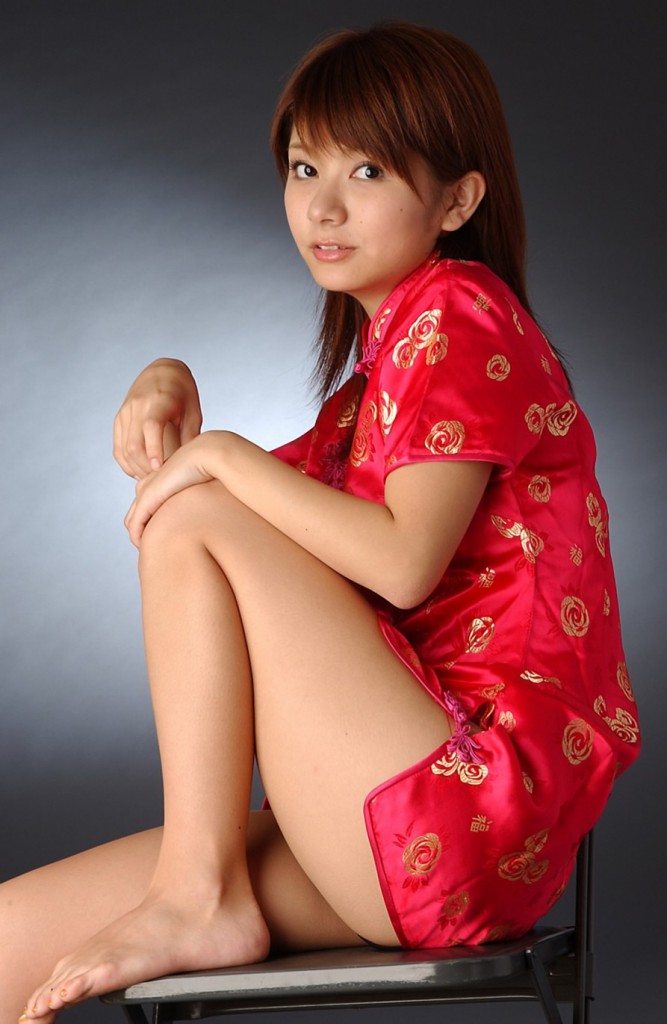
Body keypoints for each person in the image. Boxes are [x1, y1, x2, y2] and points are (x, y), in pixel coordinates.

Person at [0, 22, 640, 1023]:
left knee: (198, 510)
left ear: (457, 200)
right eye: (305, 168)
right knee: (11, 939)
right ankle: (197, 884)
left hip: (467, 809)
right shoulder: (377, 378)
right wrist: (168, 377)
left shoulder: (460, 314)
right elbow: (254, 525)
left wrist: (219, 459)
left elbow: (397, 561)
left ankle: (198, 892)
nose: (322, 205)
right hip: (387, 812)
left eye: (367, 170)